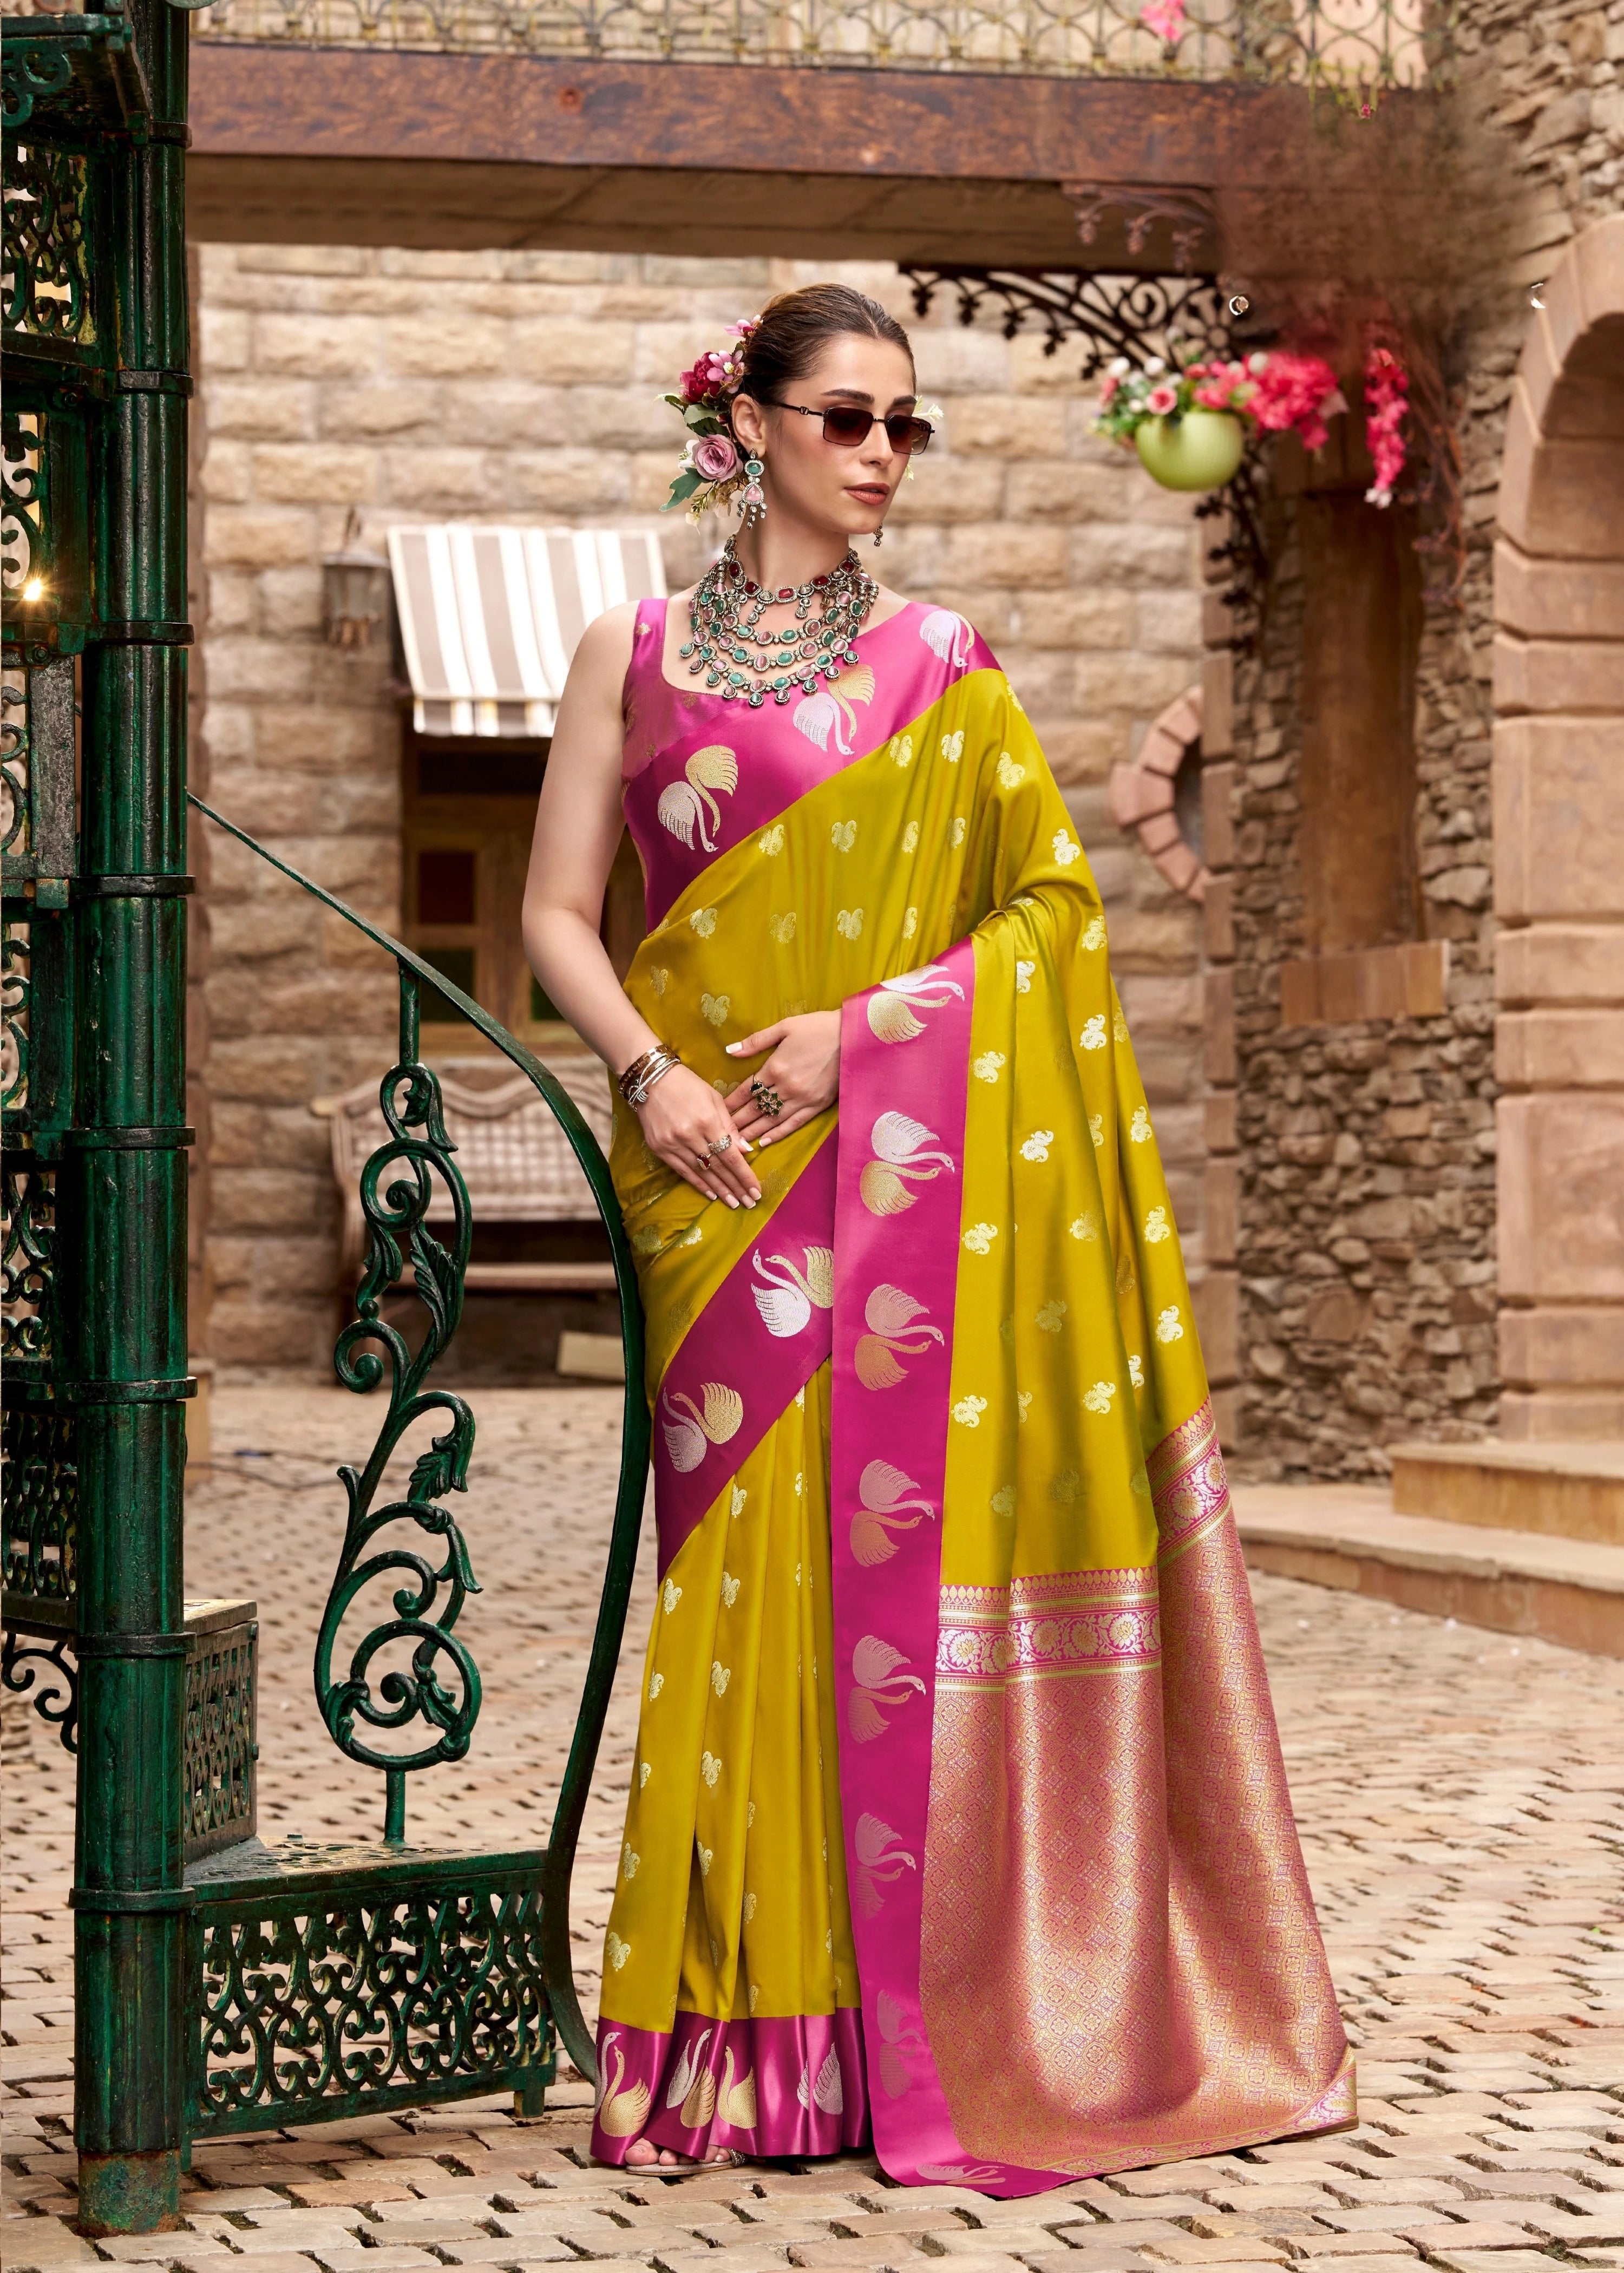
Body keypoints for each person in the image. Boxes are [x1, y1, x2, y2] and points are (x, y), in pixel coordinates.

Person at [521, 283, 1352, 2193]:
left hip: (882, 1176)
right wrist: (652, 1076)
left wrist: (871, 1035)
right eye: (850, 419)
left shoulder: (945, 668)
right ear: (747, 424)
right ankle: (733, 2042)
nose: (884, 454)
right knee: (731, 1600)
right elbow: (562, 916)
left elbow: (1053, 923)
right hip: (707, 1171)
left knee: (863, 1592)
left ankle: (880, 2041)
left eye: (911, 425)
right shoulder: (626, 652)